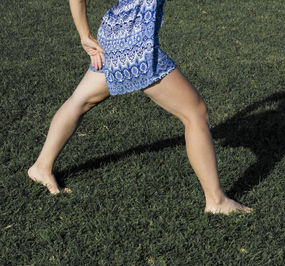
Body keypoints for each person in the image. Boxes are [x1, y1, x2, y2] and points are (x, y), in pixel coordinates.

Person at [27, 0, 252, 215]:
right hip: (136, 47)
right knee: (195, 114)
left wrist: (84, 34)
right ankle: (216, 201)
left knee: (81, 100)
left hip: (113, 36)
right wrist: (84, 35)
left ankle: (41, 167)